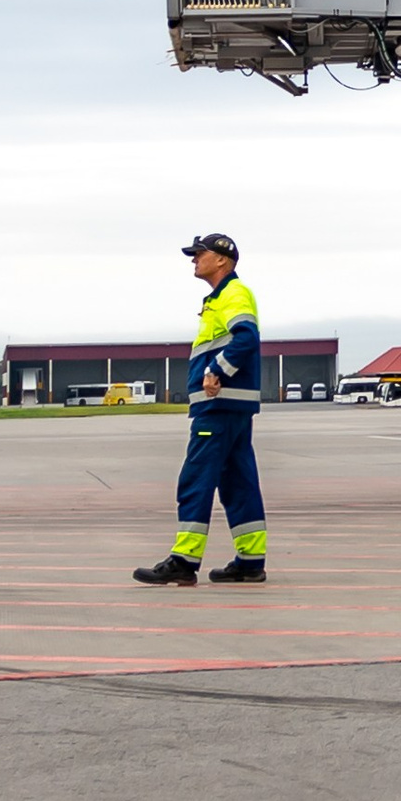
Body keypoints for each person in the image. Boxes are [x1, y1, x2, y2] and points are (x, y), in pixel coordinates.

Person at [134, 233, 268, 586]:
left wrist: (216, 371)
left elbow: (246, 338)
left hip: (218, 405)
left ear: (222, 259)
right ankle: (250, 561)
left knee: (196, 479)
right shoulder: (219, 298)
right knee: (239, 482)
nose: (194, 259)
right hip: (232, 408)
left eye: (199, 254)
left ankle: (184, 560)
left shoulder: (233, 294)